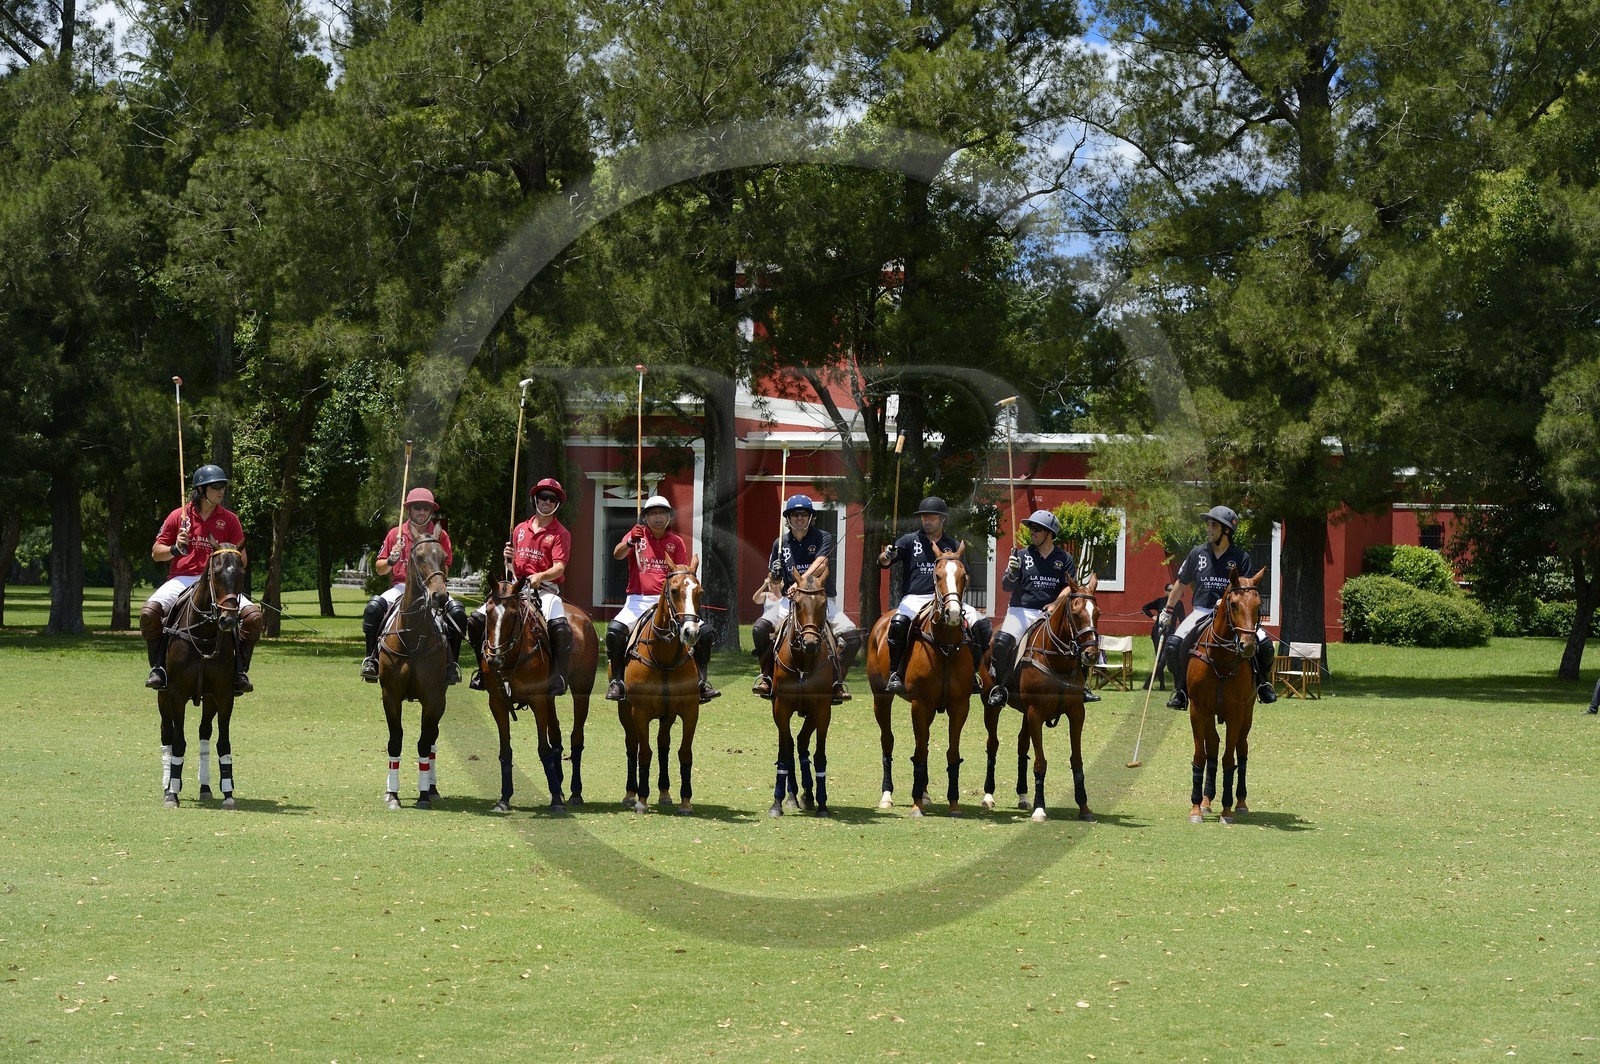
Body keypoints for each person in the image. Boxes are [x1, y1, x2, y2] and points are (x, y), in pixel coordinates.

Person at [141, 464, 262, 695]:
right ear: (201, 489)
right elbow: (157, 552)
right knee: (148, 613)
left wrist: (226, 554)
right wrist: (176, 549)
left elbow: (242, 560)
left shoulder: (229, 520)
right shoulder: (179, 516)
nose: (221, 490)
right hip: (182, 579)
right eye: (216, 486)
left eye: (223, 486)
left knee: (254, 619)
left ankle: (239, 671)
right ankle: (159, 668)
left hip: (217, 584)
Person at [1157, 505, 1277, 709]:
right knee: (1173, 645)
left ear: (1226, 531)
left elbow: (1246, 588)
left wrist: (1228, 600)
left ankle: (1263, 684)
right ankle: (1181, 690)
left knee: (1264, 645)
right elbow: (1181, 582)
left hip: (1233, 614)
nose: (1208, 529)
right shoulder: (1197, 553)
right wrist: (1167, 611)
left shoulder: (1241, 557)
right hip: (1202, 610)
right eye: (1208, 524)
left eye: (1213, 525)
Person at [605, 495, 719, 704]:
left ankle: (701, 682)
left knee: (705, 633)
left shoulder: (676, 542)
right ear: (646, 517)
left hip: (670, 602)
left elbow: (682, 575)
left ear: (669, 517)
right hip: (638, 600)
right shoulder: (636, 536)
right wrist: (630, 540)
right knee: (615, 631)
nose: (658, 517)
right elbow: (617, 554)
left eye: (662, 513)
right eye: (653, 513)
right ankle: (617, 681)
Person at [750, 494, 863, 704]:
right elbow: (775, 586)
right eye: (794, 514)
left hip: (820, 601)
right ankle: (766, 676)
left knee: (852, 637)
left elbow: (821, 563)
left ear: (810, 517)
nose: (799, 518)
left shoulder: (822, 537)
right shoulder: (780, 543)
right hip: (790, 602)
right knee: (759, 629)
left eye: (803, 514)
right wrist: (774, 576)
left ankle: (836, 681)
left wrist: (799, 582)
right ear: (788, 518)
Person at [467, 477, 574, 695]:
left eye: (552, 499)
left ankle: (558, 676)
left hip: (545, 590)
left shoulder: (560, 533)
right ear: (536, 499)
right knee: (476, 620)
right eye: (543, 497)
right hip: (515, 588)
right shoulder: (520, 529)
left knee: (560, 627)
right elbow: (512, 566)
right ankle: (482, 671)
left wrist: (541, 576)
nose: (547, 502)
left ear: (557, 504)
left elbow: (560, 567)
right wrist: (509, 558)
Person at [876, 496, 991, 696]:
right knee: (898, 623)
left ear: (942, 519)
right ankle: (895, 672)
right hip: (916, 598)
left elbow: (967, 576)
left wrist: (956, 583)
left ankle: (973, 673)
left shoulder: (954, 545)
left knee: (982, 625)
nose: (927, 520)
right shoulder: (909, 540)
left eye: (932, 516)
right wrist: (887, 554)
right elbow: (883, 562)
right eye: (924, 517)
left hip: (948, 598)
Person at [986, 509, 1098, 707]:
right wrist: (1012, 572)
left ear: (1049, 533)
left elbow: (1068, 586)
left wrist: (1055, 604)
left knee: (1080, 639)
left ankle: (1082, 687)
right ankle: (1001, 687)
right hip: (1021, 611)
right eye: (1031, 529)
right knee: (1002, 641)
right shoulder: (1021, 555)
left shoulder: (1064, 558)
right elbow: (1006, 585)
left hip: (1052, 613)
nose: (1032, 532)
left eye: (1036, 529)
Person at [359, 488, 468, 685]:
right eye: (417, 507)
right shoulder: (396, 533)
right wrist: (391, 560)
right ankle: (371, 660)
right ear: (409, 510)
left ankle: (452, 665)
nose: (422, 512)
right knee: (373, 608)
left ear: (430, 511)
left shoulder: (440, 535)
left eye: (426, 508)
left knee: (458, 613)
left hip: (431, 586)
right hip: (402, 587)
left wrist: (434, 585)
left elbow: (446, 567)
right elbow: (379, 569)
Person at [1141, 583, 1185, 690]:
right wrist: (1153, 616)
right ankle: (1162, 685)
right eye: (1169, 590)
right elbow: (1145, 608)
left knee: (1162, 661)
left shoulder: (1179, 604)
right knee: (1158, 658)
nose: (1171, 592)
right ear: (1165, 591)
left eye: (1173, 590)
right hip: (1157, 634)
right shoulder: (1160, 601)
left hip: (1169, 635)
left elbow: (1183, 620)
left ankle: (1148, 683)